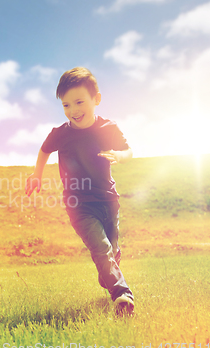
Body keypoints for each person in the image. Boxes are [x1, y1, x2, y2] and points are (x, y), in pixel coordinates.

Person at [25, 67, 135, 316]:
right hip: (79, 205)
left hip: (109, 201)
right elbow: (44, 150)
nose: (73, 110)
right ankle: (122, 294)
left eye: (79, 102)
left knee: (112, 250)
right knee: (101, 248)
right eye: (66, 105)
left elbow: (129, 151)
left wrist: (119, 155)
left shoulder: (108, 128)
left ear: (96, 99)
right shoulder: (60, 134)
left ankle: (109, 274)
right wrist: (36, 175)